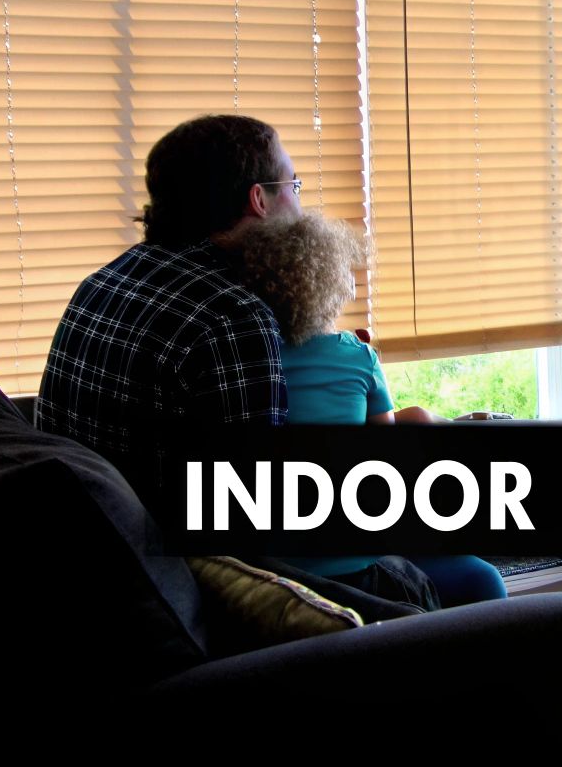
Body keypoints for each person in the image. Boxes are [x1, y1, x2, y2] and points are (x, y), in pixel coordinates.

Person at [229, 209, 508, 607]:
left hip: (276, 569)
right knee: (476, 579)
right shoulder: (356, 356)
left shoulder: (248, 357)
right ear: (331, 283)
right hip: (353, 569)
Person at [36, 114, 296, 504]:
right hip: (176, 560)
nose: (300, 201)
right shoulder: (232, 317)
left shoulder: (106, 280)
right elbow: (255, 507)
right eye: (293, 185)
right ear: (258, 200)